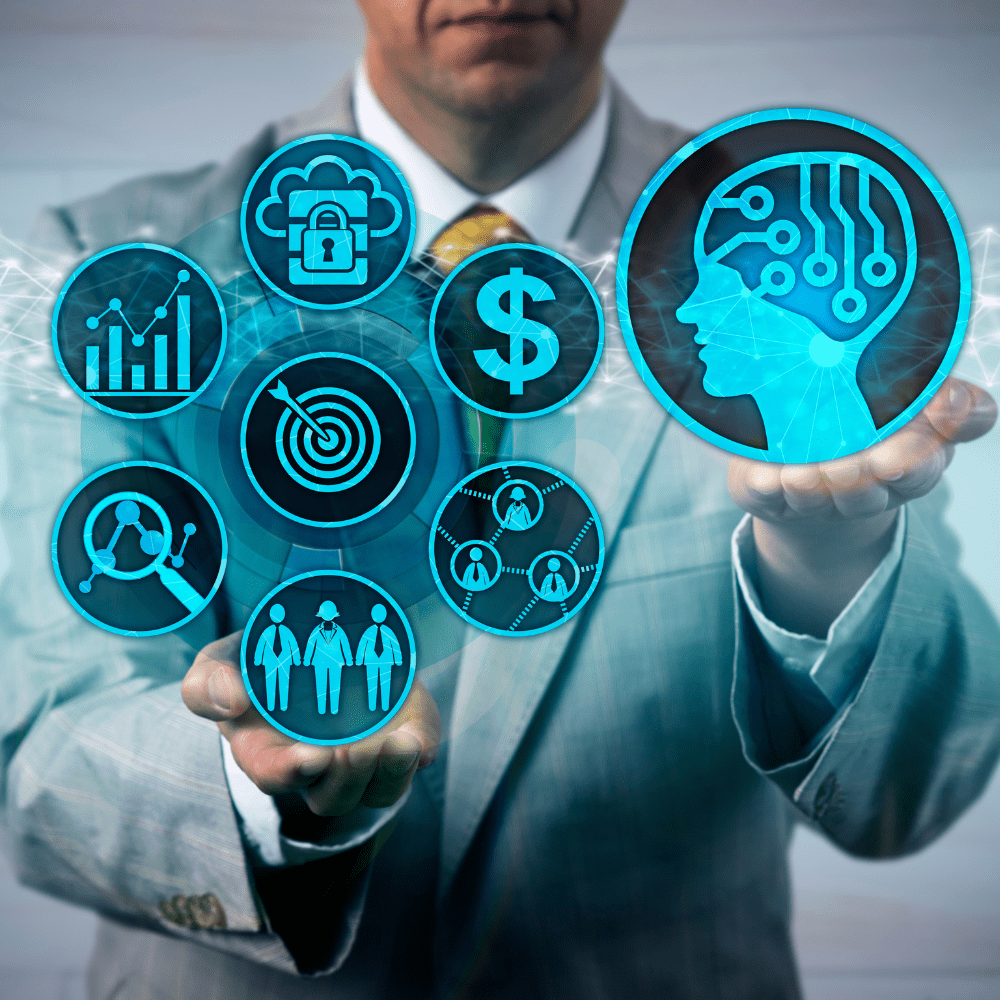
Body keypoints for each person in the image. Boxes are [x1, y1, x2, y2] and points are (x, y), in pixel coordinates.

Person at [3, 1, 999, 998]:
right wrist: (256, 795)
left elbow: (905, 791)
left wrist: (829, 556)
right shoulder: (116, 278)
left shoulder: (776, 245)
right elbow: (43, 741)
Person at [302, 601, 354, 715]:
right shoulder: (316, 631)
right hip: (319, 663)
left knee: (335, 686)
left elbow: (345, 645)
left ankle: (334, 709)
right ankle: (321, 709)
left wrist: (349, 660)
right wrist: (307, 660)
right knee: (320, 686)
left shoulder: (340, 631)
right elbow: (310, 644)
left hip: (336, 664)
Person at [354, 604, 404, 712]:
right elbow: (363, 645)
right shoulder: (368, 632)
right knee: (372, 684)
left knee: (385, 684)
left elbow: (394, 645)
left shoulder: (388, 631)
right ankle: (372, 706)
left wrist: (398, 659)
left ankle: (385, 706)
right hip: (371, 662)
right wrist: (359, 660)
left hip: (386, 661)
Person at [253, 603, 301, 713]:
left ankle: (283, 706)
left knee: (284, 684)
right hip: (270, 660)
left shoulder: (287, 631)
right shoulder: (267, 631)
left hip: (285, 660)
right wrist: (257, 659)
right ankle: (270, 705)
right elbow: (261, 645)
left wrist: (297, 659)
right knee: (270, 684)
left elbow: (293, 645)